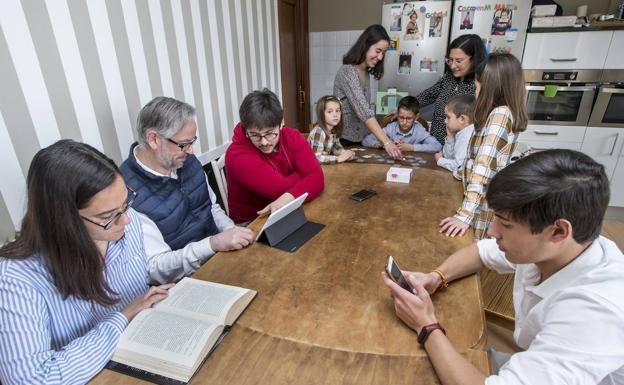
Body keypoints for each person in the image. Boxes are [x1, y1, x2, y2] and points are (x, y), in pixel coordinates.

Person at [382, 149, 624, 385]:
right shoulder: (565, 247)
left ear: (559, 231)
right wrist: (436, 277)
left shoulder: (595, 314)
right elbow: (482, 252)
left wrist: (426, 325)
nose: (492, 231)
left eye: (505, 224)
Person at [0, 140, 175, 384]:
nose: (126, 220)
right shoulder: (16, 278)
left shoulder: (124, 223)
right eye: (107, 216)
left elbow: (139, 303)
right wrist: (122, 319)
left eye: (126, 203)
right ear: (63, 220)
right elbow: (32, 380)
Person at [120, 97, 254, 284]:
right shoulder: (127, 193)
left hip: (219, 256)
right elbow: (155, 267)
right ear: (154, 139)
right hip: (186, 281)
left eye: (192, 141)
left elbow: (212, 207)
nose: (191, 151)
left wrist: (231, 231)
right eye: (184, 144)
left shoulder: (186, 161)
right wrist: (212, 244)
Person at [439, 53, 527, 239]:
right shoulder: (500, 113)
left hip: (482, 205)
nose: (475, 88)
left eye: (477, 84)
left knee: (473, 245)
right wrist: (459, 173)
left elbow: (483, 167)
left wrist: (464, 215)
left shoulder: (500, 115)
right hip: (479, 199)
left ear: (490, 86)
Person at [226, 89, 324, 224]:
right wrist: (304, 175)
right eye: (254, 135)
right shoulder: (236, 155)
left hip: (285, 211)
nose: (264, 142)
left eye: (270, 133)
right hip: (252, 223)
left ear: (281, 123)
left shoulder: (292, 136)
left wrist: (311, 176)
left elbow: (317, 178)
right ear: (245, 128)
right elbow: (280, 190)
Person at [333, 24, 402, 159]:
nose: (381, 57)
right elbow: (363, 111)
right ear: (365, 45)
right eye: (378, 51)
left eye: (383, 53)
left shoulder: (366, 73)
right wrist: (386, 142)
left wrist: (383, 139)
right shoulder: (348, 71)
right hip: (344, 142)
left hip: (361, 140)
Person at [416, 34, 486, 145]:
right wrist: (408, 106)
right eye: (450, 60)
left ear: (474, 59)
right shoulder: (449, 77)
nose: (452, 66)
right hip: (436, 144)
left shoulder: (479, 84)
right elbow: (429, 94)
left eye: (458, 61)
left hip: (459, 149)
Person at [363, 96, 441, 153]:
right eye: (401, 117)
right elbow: (366, 140)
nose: (404, 122)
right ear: (397, 115)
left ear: (416, 117)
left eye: (408, 118)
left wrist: (412, 147)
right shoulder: (391, 128)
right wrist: (385, 144)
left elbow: (437, 146)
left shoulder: (419, 130)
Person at [308, 95, 355, 164]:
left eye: (337, 111)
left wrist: (345, 153)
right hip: (310, 167)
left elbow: (336, 148)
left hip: (323, 167)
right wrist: (338, 158)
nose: (335, 114)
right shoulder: (319, 131)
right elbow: (316, 158)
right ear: (321, 114)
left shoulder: (333, 129)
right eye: (330, 112)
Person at [435, 94, 475, 174]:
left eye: (448, 117)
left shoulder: (466, 136)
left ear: (462, 119)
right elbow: (450, 158)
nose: (445, 121)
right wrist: (450, 137)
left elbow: (459, 167)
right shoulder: (461, 133)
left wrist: (440, 160)